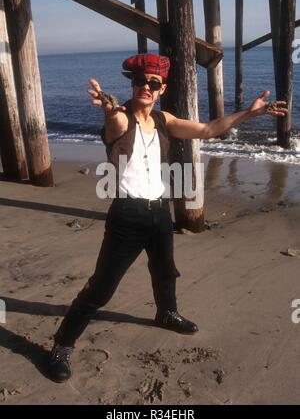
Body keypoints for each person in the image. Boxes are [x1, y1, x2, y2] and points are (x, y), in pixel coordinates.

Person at [48, 53, 287, 383]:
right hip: (127, 215)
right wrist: (107, 105)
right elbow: (113, 118)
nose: (145, 87)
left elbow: (206, 130)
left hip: (159, 212)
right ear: (132, 85)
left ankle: (166, 313)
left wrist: (249, 113)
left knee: (165, 272)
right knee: (101, 289)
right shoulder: (121, 119)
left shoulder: (163, 120)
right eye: (139, 81)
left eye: (153, 83)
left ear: (162, 88)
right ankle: (62, 344)